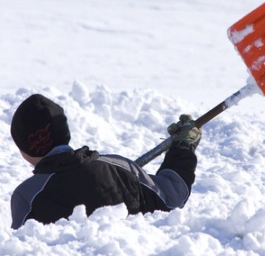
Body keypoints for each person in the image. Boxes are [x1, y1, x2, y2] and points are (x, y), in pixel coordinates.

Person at [10, 94, 201, 229]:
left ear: (25, 149)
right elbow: (172, 196)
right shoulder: (121, 168)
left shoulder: (26, 195)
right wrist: (184, 146)